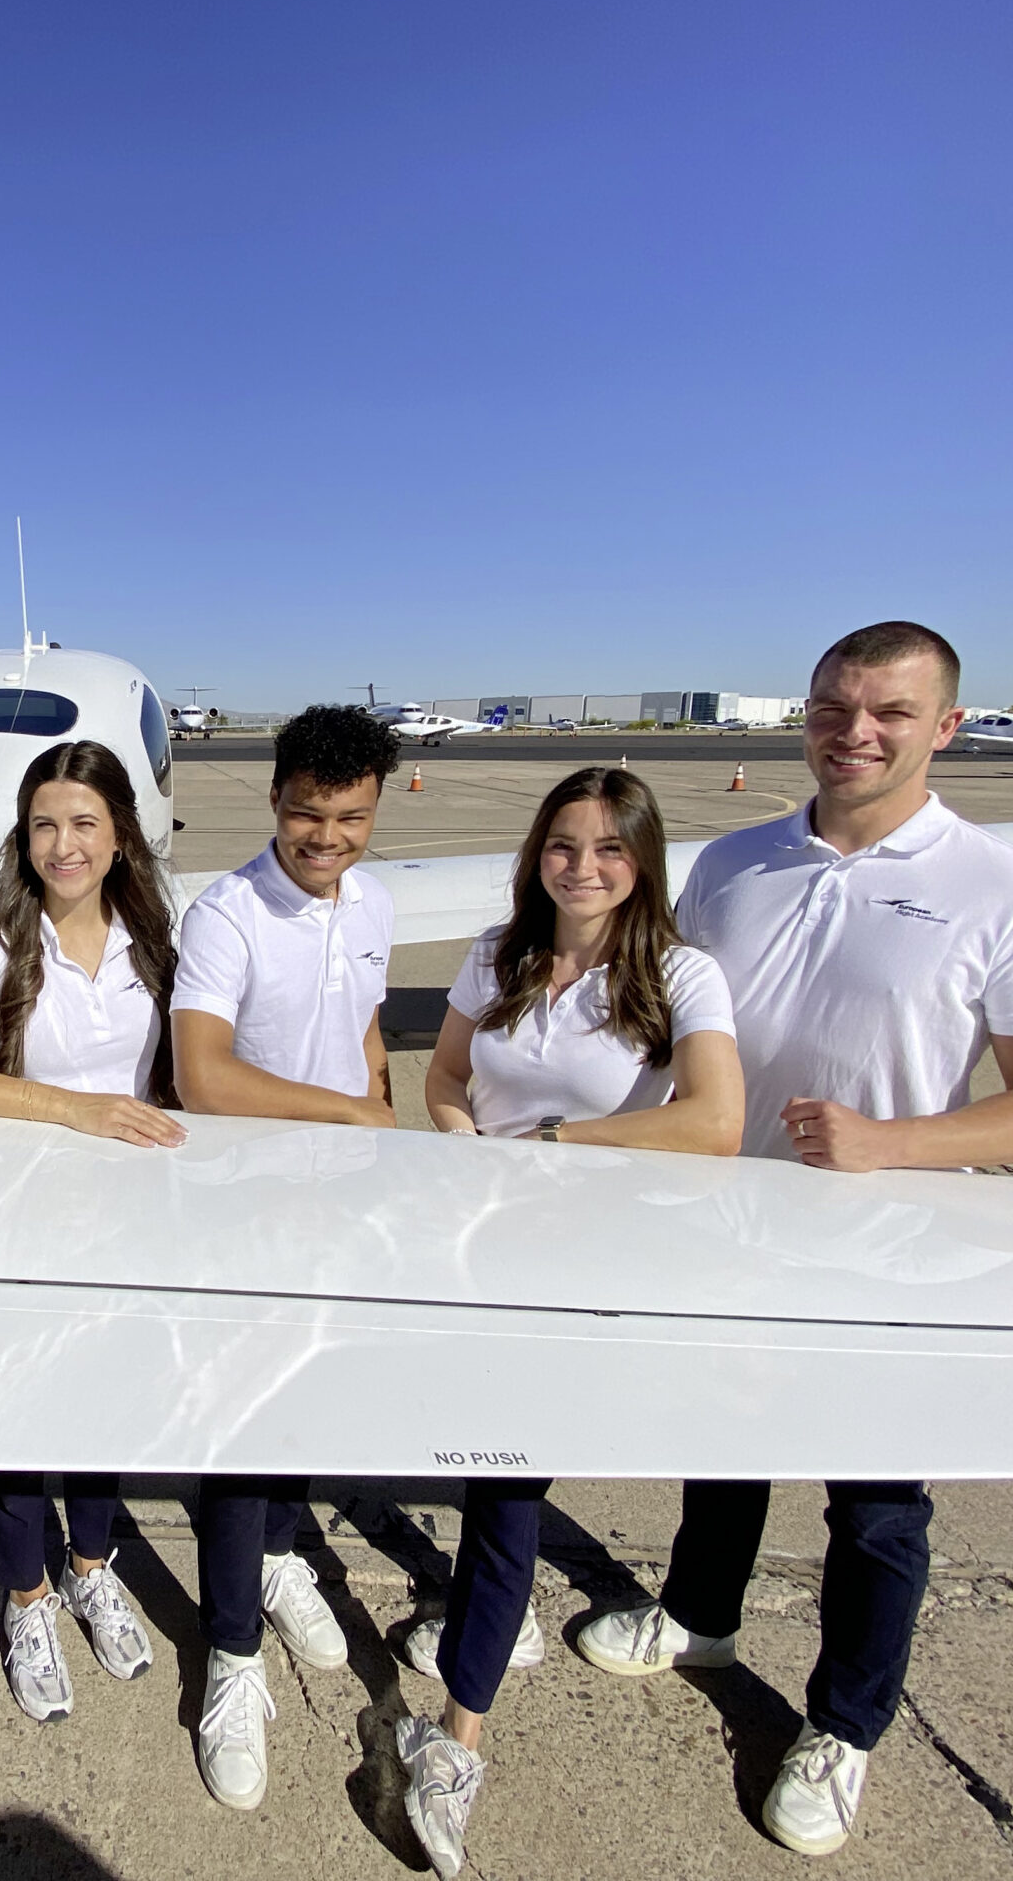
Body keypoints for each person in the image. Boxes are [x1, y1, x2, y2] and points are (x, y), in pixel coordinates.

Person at [574, 622, 1013, 1858]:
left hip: (895, 1243)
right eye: (831, 708)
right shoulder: (733, 866)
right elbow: (674, 1031)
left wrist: (889, 1143)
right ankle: (698, 1615)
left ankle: (844, 1725)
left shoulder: (1011, 891)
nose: (854, 732)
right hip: (733, 1219)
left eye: (888, 713)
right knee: (724, 1438)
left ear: (945, 727)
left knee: (874, 1507)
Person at [391, 767, 744, 1878]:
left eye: (606, 848)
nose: (580, 867)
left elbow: (716, 1122)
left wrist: (549, 1156)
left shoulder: (681, 975)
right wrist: (469, 1158)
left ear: (642, 860)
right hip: (476, 1245)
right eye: (561, 843)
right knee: (472, 1458)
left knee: (506, 1483)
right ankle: (498, 1624)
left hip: (585, 1262)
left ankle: (457, 1735)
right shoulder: (497, 955)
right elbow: (446, 1075)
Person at [0, 740, 180, 1723]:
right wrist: (73, 1109)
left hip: (127, 1219)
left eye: (84, 823)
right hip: (21, 1216)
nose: (63, 844)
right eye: (44, 825)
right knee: (21, 1419)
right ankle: (26, 1600)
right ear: (24, 840)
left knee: (101, 1405)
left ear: (118, 838)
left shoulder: (156, 935)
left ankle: (90, 1566)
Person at [169, 702, 400, 1810]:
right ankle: (227, 1657)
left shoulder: (376, 902)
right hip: (240, 1209)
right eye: (308, 814)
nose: (326, 838)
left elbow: (360, 1024)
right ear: (274, 801)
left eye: (348, 817)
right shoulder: (225, 914)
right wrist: (344, 1118)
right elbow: (203, 1075)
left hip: (334, 1206)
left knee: (302, 1401)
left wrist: (380, 1106)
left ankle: (269, 1557)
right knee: (235, 1432)